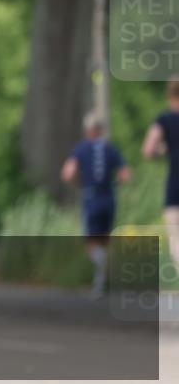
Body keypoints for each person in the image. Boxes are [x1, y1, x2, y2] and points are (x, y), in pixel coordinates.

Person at [61, 112, 132, 297]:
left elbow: (68, 173)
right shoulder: (111, 149)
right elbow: (126, 174)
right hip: (109, 198)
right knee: (104, 240)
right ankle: (104, 277)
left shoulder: (82, 149)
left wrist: (79, 182)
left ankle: (100, 279)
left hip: (91, 198)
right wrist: (115, 182)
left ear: (88, 130)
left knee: (91, 242)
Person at [142, 76, 179, 271]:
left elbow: (148, 150)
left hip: (175, 187)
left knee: (176, 237)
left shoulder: (164, 120)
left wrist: (163, 151)